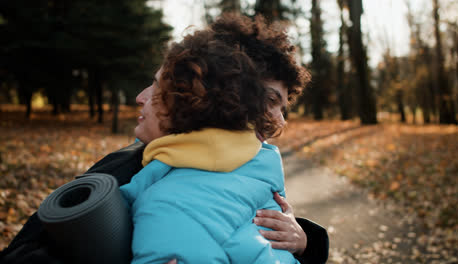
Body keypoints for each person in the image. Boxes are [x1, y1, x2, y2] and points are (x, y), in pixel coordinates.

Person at [118, 13, 325, 263]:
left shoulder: (250, 167)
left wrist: (305, 242)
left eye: (282, 107)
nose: (280, 121)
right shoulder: (127, 171)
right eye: (270, 100)